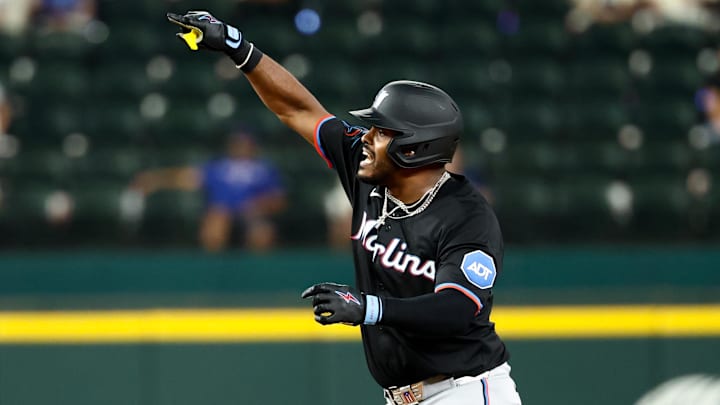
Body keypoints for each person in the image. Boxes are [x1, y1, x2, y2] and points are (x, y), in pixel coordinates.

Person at [167, 10, 522, 404]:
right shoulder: (366, 171)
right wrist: (239, 49)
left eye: (381, 131)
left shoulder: (467, 216)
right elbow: (300, 110)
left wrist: (367, 308)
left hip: (465, 391)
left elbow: (457, 307)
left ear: (415, 148)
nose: (366, 137)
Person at [131, 126, 286, 253]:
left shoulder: (264, 169)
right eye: (237, 144)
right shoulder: (218, 167)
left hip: (253, 214)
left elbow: (278, 200)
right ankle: (214, 276)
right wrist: (155, 179)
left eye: (245, 144)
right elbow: (187, 178)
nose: (241, 148)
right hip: (221, 212)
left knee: (262, 232)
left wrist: (257, 206)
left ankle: (256, 276)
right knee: (216, 224)